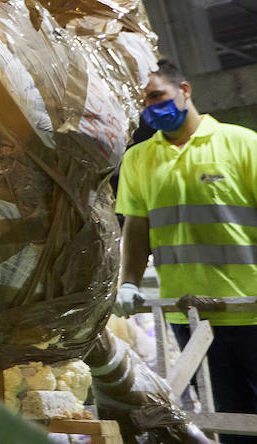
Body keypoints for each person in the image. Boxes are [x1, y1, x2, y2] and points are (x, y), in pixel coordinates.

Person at [115, 59, 257, 432]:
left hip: (251, 309)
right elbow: (137, 227)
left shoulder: (241, 144)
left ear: (185, 90)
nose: (151, 107)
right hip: (188, 316)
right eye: (143, 102)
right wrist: (128, 282)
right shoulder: (138, 159)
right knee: (225, 418)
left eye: (157, 95)